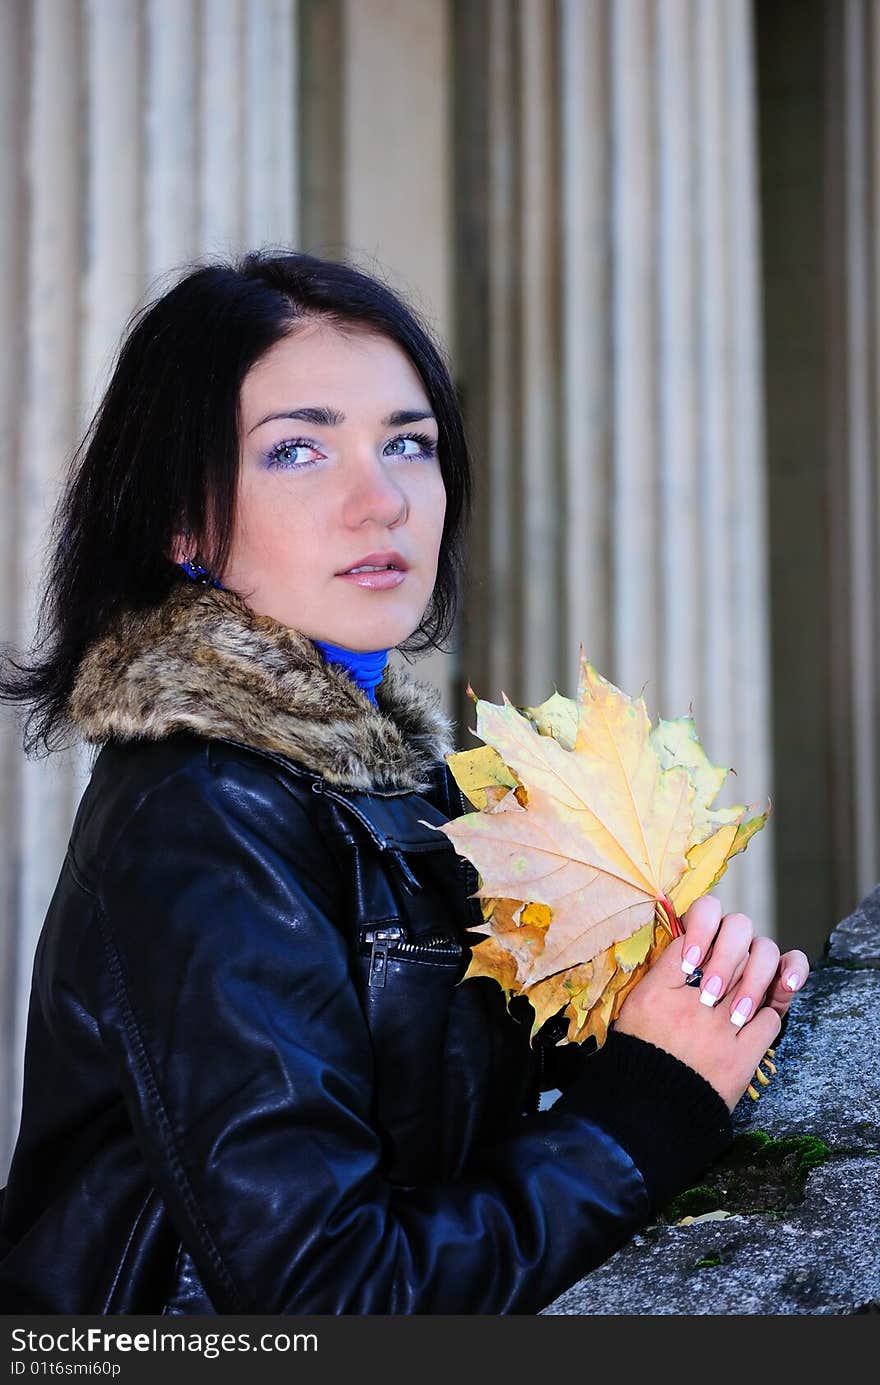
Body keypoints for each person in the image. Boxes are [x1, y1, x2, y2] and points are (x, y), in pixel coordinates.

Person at [0, 249, 809, 1314]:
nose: (380, 499)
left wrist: (653, 1004)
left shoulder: (397, 793)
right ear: (181, 523)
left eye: (409, 444)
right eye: (295, 449)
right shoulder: (204, 811)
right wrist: (647, 1102)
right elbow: (330, 1297)